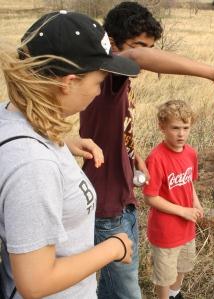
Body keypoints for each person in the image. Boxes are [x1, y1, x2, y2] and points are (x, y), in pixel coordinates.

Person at [67, 2, 214, 299]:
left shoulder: (114, 81)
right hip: (108, 206)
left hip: (120, 197)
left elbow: (111, 128)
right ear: (113, 42)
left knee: (113, 286)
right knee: (126, 292)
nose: (142, 56)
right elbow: (134, 57)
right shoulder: (109, 69)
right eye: (138, 45)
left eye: (150, 47)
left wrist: (133, 157)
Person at [0, 11, 138, 299]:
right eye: (98, 82)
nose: (100, 93)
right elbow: (35, 281)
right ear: (69, 82)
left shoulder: (13, 116)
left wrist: (62, 143)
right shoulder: (33, 165)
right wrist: (114, 247)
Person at [142, 100, 202, 299]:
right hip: (166, 230)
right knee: (165, 275)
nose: (181, 134)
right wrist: (182, 211)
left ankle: (175, 294)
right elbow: (150, 197)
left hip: (187, 226)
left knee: (183, 265)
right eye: (175, 128)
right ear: (162, 127)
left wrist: (195, 203)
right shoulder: (157, 158)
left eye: (186, 128)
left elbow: (189, 183)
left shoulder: (191, 153)